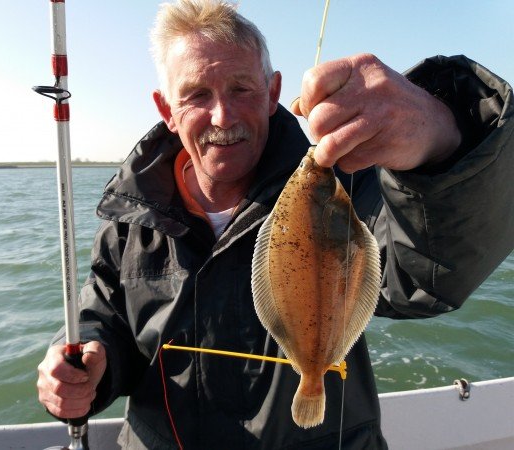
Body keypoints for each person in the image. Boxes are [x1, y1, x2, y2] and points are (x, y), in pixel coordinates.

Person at [37, 0, 514, 448]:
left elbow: (423, 273)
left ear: (273, 94)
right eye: (197, 94)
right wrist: (85, 364)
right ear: (167, 110)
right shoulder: (131, 219)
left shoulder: (347, 184)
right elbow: (103, 317)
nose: (222, 115)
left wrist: (440, 141)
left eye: (242, 88)